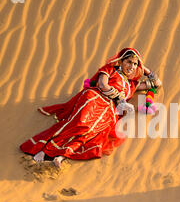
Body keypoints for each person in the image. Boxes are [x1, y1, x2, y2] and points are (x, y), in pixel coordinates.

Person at [20, 48, 162, 167]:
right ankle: (44, 150)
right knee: (78, 124)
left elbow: (157, 83)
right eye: (128, 61)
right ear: (121, 61)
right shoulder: (110, 70)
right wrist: (119, 98)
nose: (131, 66)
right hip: (94, 99)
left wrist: (143, 68)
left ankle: (62, 155)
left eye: (134, 64)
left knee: (90, 132)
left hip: (109, 111)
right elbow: (102, 84)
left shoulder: (132, 85)